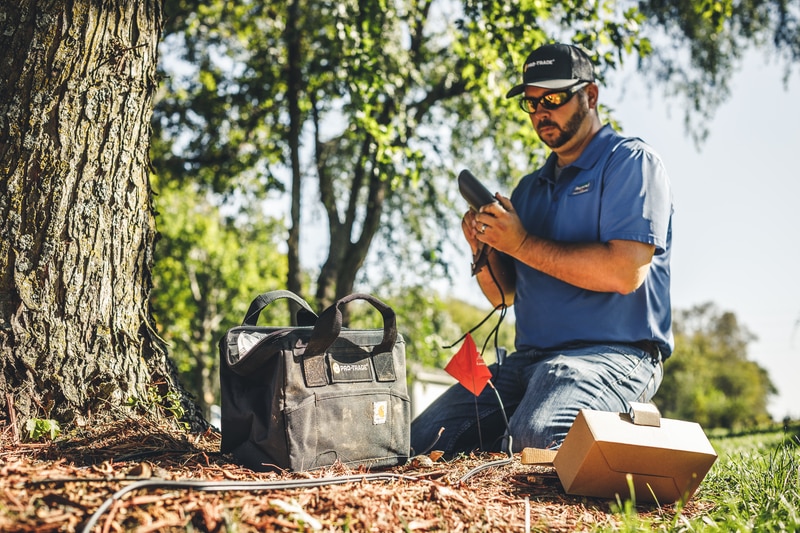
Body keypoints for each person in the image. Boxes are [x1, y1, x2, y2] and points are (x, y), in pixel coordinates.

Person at [410, 42, 673, 455]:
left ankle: (626, 416)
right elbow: (504, 295)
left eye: (552, 99)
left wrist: (522, 242)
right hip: (526, 363)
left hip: (613, 355)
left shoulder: (630, 163)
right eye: (531, 104)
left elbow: (625, 274)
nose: (540, 113)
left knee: (534, 440)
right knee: (421, 439)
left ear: (590, 96)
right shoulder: (528, 189)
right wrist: (485, 249)